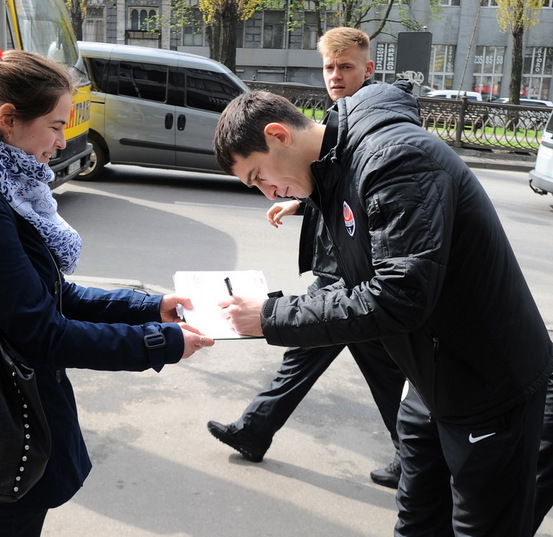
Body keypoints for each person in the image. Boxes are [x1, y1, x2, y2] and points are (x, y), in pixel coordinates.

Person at [212, 85, 553, 536]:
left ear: (278, 135)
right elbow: (361, 274)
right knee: (416, 522)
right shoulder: (336, 169)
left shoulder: (395, 158)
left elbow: (398, 295)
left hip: (488, 388)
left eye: (258, 176)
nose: (267, 193)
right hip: (429, 382)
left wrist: (271, 316)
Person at [0, 47, 215, 537]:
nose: (62, 140)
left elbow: (53, 297)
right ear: (8, 120)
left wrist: (151, 307)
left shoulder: (0, 188)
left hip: (5, 415)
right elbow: (44, 333)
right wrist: (160, 344)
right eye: (55, 126)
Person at [206, 27, 406, 489]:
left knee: (376, 367)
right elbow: (334, 191)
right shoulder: (334, 122)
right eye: (329, 67)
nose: (335, 76)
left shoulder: (373, 137)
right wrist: (300, 202)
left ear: (368, 69)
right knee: (315, 355)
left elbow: (366, 205)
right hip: (338, 271)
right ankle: (256, 429)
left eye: (346, 67)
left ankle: (416, 456)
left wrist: (268, 314)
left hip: (356, 279)